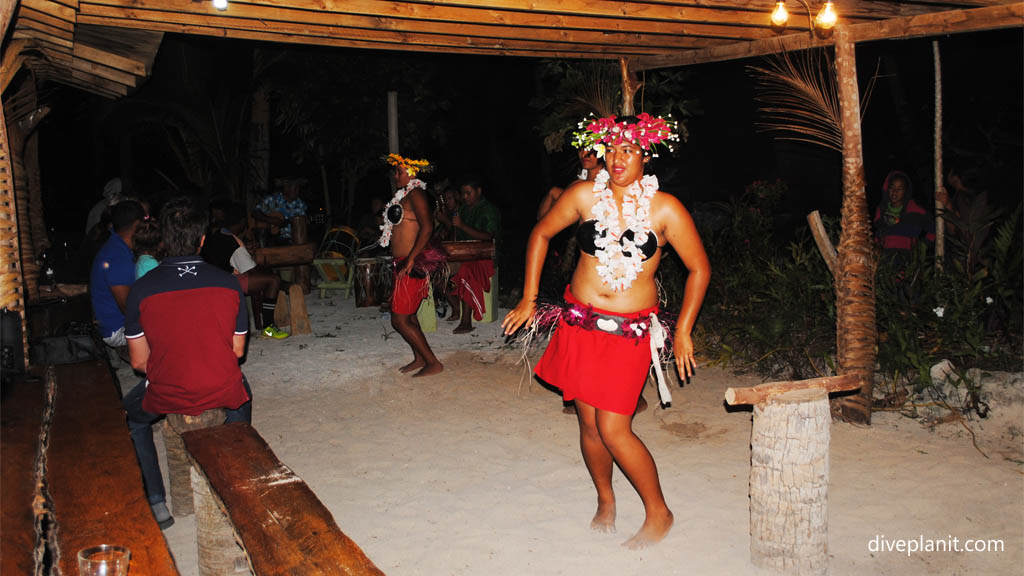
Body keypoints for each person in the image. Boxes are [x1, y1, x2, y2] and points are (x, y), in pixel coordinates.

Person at [502, 113, 711, 548]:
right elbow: (541, 234)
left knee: (615, 428)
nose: (618, 159)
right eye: (612, 149)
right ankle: (605, 499)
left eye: (629, 150)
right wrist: (528, 297)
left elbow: (698, 268)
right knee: (590, 425)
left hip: (629, 333)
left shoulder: (665, 208)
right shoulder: (583, 195)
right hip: (579, 324)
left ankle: (660, 512)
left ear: (645, 154)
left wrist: (685, 330)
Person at [122, 196, 253, 529]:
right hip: (219, 386)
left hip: (167, 390)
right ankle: (241, 474)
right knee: (241, 393)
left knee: (132, 418)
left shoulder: (140, 289)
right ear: (203, 239)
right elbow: (237, 352)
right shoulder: (229, 283)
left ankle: (156, 502)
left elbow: (139, 362)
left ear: (163, 239)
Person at [379, 153, 443, 377]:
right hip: (401, 262)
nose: (395, 175)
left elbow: (427, 227)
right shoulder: (403, 195)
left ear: (413, 172)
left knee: (399, 319)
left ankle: (433, 362)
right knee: (409, 315)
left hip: (411, 262)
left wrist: (412, 258)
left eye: (400, 171)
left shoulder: (416, 193)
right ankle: (419, 358)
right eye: (395, 171)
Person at [201, 202, 289, 339]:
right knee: (273, 280)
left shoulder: (215, 235)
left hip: (209, 280)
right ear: (242, 222)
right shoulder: (233, 241)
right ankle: (268, 326)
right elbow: (251, 272)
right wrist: (283, 284)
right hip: (226, 283)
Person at [437, 176, 500, 334]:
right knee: (438, 269)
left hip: (485, 257)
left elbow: (488, 236)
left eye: (468, 193)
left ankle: (466, 321)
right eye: (463, 194)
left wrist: (462, 225)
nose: (464, 197)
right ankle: (455, 306)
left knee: (466, 271)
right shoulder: (463, 210)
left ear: (479, 191)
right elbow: (457, 236)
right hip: (466, 255)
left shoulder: (489, 209)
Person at [90, 200, 147, 354]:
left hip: (118, 322)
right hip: (117, 330)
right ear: (137, 224)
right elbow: (128, 308)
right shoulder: (117, 256)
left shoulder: (120, 247)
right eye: (145, 219)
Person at [874, 170, 935, 265]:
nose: (894, 192)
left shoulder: (915, 210)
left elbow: (932, 230)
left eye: (899, 189)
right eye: (892, 187)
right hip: (885, 266)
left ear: (906, 191)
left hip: (908, 266)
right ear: (887, 189)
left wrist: (921, 250)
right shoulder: (881, 210)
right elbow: (877, 235)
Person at [253, 177, 308, 244]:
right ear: (286, 188)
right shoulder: (272, 199)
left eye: (298, 187)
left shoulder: (301, 204)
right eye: (295, 188)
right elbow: (255, 213)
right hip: (271, 241)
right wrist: (271, 220)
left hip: (293, 241)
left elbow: (302, 226)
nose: (298, 191)